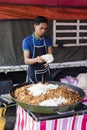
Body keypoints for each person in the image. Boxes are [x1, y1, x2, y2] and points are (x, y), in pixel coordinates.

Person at [22, 16, 53, 83]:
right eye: (41, 28)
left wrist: (49, 61)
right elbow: (26, 61)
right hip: (33, 73)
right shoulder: (27, 41)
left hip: (46, 71)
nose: (43, 31)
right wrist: (36, 59)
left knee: (49, 91)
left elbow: (50, 55)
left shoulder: (48, 39)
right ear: (35, 26)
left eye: (45, 29)